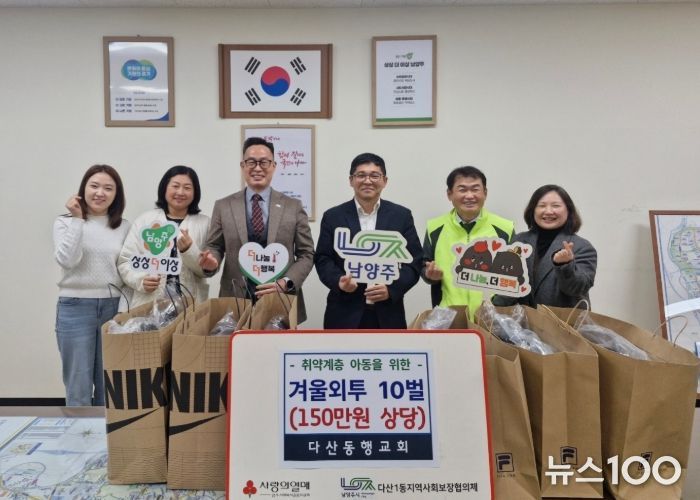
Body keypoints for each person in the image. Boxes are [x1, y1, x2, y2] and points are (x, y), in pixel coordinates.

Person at [199, 137, 314, 322]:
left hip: (280, 298)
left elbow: (306, 253)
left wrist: (286, 282)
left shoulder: (293, 206)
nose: (258, 168)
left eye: (264, 162)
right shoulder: (223, 206)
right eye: (251, 162)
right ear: (243, 165)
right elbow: (215, 246)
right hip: (235, 298)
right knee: (235, 342)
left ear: (274, 166)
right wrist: (212, 261)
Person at [315, 153, 422, 329]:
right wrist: (339, 281)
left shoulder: (401, 216)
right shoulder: (333, 216)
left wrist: (392, 289)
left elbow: (415, 261)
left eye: (374, 175)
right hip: (343, 311)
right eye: (361, 175)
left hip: (388, 313)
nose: (367, 181)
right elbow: (323, 258)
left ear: (384, 181)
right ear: (351, 180)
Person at [53, 164, 129, 406]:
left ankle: (105, 432)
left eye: (108, 188)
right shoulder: (64, 222)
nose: (100, 193)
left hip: (113, 308)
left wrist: (123, 310)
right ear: (83, 189)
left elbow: (127, 270)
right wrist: (77, 220)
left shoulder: (124, 226)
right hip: (75, 307)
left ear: (116, 194)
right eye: (94, 186)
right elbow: (68, 260)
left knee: (109, 384)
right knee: (78, 385)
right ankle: (79, 431)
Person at [422, 166, 515, 319]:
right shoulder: (435, 227)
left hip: (492, 318)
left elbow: (515, 274)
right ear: (449, 194)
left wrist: (496, 306)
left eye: (475, 189)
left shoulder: (505, 228)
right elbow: (424, 265)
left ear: (485, 193)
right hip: (449, 316)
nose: (470, 196)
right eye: (462, 190)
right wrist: (429, 275)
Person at [118, 166, 210, 308]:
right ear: (164, 188)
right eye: (175, 186)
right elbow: (125, 261)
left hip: (190, 305)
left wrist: (189, 250)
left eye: (187, 188)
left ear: (195, 192)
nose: (180, 192)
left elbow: (206, 271)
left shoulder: (205, 223)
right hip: (149, 304)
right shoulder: (145, 220)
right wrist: (141, 280)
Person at [493, 184, 596, 308]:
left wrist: (565, 265)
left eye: (555, 206)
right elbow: (506, 284)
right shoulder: (519, 241)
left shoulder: (582, 247)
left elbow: (578, 288)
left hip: (561, 320)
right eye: (542, 206)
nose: (548, 211)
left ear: (568, 210)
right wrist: (494, 305)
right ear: (533, 210)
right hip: (521, 320)